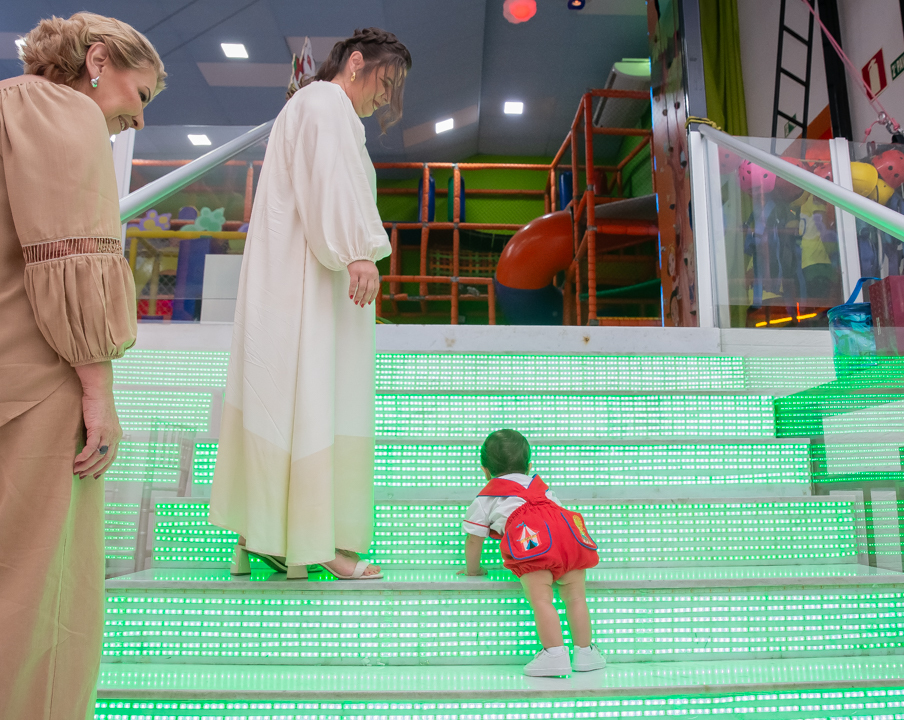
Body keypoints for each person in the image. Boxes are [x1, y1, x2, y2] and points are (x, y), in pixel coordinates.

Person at [0, 12, 164, 719]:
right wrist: (98, 389)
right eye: (142, 93)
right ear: (98, 58)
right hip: (39, 375)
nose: (137, 116)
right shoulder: (69, 119)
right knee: (41, 577)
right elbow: (72, 257)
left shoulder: (8, 102)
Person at [210, 28, 411, 581]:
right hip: (308, 280)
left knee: (284, 393)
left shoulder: (312, 106)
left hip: (291, 274)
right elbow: (333, 182)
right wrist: (359, 253)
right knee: (313, 391)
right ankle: (314, 540)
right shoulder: (324, 102)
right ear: (354, 63)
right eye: (384, 82)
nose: (384, 99)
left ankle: (265, 534)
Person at [458, 429, 606, 677]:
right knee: (576, 599)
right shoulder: (544, 489)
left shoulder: (486, 498)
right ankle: (586, 653)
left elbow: (474, 540)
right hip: (570, 542)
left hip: (534, 548)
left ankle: (554, 654)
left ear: (484, 469)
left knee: (541, 600)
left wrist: (474, 570)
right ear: (529, 466)